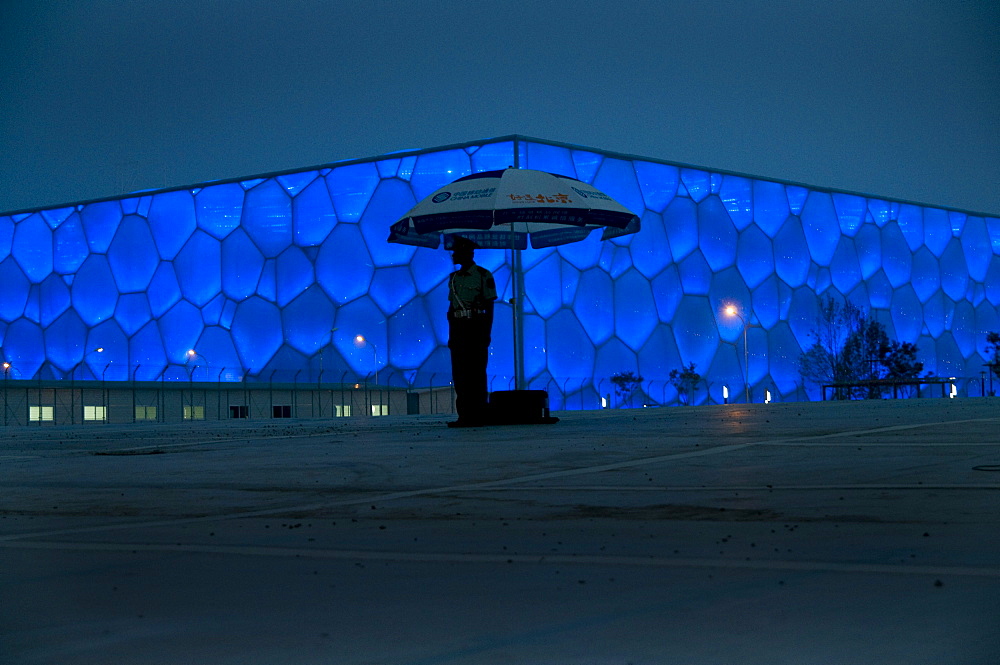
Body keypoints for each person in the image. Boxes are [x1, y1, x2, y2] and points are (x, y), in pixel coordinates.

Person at [446, 236, 497, 427]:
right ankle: (464, 415)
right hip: (459, 329)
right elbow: (451, 310)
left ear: (466, 254)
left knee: (476, 372)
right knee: (460, 373)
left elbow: (489, 307)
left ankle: (478, 414)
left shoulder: (483, 275)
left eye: (456, 252)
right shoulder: (454, 279)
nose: (453, 255)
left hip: (475, 327)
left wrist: (486, 333)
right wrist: (451, 336)